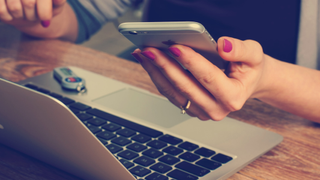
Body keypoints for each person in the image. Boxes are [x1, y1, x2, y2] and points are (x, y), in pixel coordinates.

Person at [0, 0, 319, 122]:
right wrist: (38, 13)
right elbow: (78, 16)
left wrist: (267, 79)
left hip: (286, 128)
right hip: (149, 101)